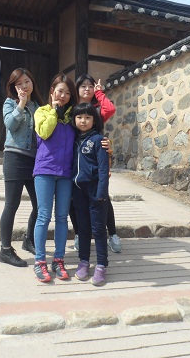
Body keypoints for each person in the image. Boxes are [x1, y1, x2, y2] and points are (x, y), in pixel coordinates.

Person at [32, 73, 77, 282]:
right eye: (60, 91)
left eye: (67, 93)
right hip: (45, 170)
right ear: (52, 92)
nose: (63, 96)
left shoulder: (72, 118)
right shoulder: (42, 111)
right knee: (43, 216)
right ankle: (40, 261)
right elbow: (44, 132)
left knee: (61, 217)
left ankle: (58, 259)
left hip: (66, 173)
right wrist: (54, 112)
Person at [70, 74, 122, 253]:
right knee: (73, 201)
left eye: (90, 86)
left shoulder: (97, 109)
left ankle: (112, 234)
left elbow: (110, 109)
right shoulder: (72, 109)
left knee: (103, 198)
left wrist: (99, 93)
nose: (87, 89)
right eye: (83, 86)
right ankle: (79, 234)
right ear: (76, 89)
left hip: (95, 158)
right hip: (74, 159)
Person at [0, 68, 44, 267]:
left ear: (32, 82)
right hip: (15, 158)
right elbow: (10, 125)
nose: (24, 86)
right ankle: (5, 250)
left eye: (26, 81)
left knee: (39, 205)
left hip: (35, 161)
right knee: (11, 205)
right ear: (13, 87)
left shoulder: (39, 107)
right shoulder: (10, 103)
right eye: (19, 83)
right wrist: (21, 103)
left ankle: (29, 240)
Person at [71, 102, 111, 286]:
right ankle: (84, 261)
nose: (83, 121)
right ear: (74, 119)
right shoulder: (73, 140)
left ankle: (101, 265)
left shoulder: (98, 140)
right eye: (79, 117)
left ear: (94, 120)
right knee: (83, 229)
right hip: (78, 191)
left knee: (98, 229)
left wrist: (102, 192)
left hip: (96, 191)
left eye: (88, 117)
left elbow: (103, 169)